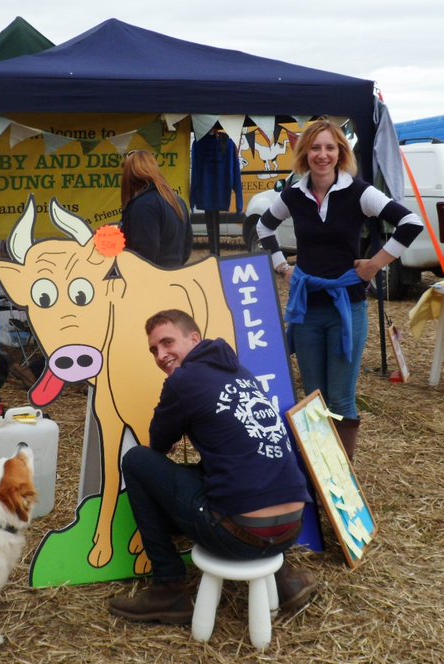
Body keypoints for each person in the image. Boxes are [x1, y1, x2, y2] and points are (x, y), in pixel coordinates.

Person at [108, 309, 317, 624]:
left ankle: (168, 587)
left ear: (194, 338)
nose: (161, 355)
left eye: (167, 343)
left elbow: (158, 444)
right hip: (292, 529)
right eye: (154, 349)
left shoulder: (183, 380)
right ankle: (285, 578)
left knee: (137, 461)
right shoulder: (243, 372)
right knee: (242, 464)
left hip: (240, 535)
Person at [255, 118, 424, 457]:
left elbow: (411, 223)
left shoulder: (359, 191)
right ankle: (319, 470)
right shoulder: (294, 194)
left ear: (340, 152)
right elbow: (264, 226)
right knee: (313, 395)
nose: (322, 155)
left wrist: (376, 263)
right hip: (307, 310)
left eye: (330, 147)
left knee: (341, 396)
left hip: (348, 307)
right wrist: (281, 267)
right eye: (316, 148)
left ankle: (342, 478)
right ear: (305, 153)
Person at [120, 149, 192, 267]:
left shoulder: (143, 205)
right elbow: (187, 246)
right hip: (175, 274)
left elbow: (144, 252)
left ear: (129, 176)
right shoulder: (178, 201)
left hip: (150, 279)